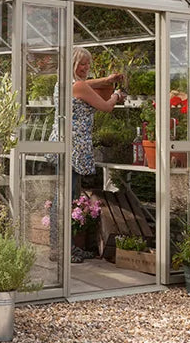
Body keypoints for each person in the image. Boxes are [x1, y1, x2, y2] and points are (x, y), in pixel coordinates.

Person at [59, 47, 126, 261]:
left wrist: (106, 79)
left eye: (88, 64)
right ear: (72, 64)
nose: (86, 67)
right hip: (75, 147)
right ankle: (66, 250)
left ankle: (60, 248)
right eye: (81, 64)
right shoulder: (78, 86)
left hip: (62, 145)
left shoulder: (63, 83)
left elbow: (88, 84)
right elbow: (106, 106)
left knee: (62, 197)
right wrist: (116, 95)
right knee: (68, 198)